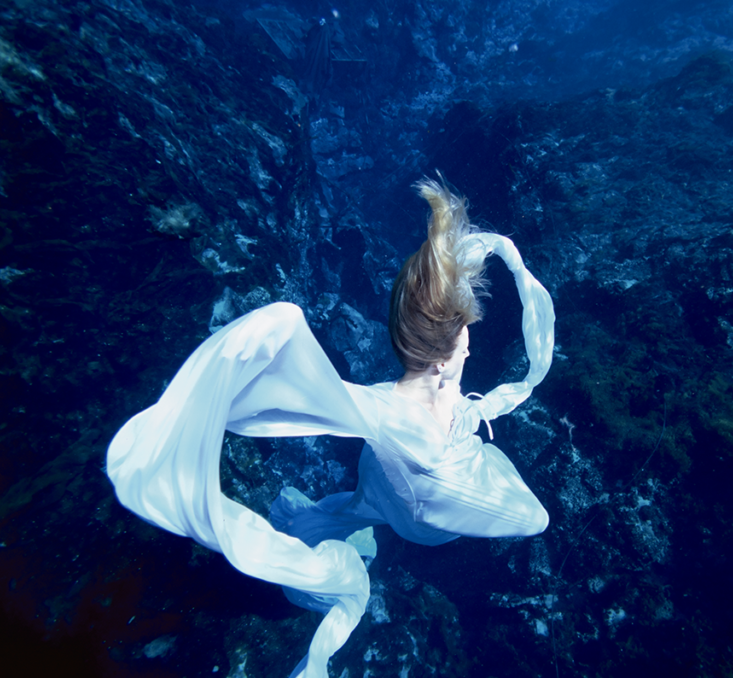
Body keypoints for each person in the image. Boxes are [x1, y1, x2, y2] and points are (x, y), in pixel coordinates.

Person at [106, 177, 555, 678]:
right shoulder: (399, 424)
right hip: (415, 507)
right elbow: (530, 518)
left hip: (382, 482)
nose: (471, 346)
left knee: (371, 505)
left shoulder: (381, 402)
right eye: (464, 340)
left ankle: (354, 517)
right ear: (440, 363)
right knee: (526, 518)